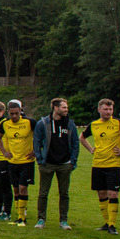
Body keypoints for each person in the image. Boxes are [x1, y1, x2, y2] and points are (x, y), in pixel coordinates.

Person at [80, 99, 120, 235]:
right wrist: (90, 149)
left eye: (110, 109)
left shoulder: (119, 123)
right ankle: (106, 223)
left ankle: (113, 225)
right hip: (98, 164)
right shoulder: (94, 125)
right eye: (105, 109)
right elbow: (82, 137)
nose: (108, 112)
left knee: (113, 194)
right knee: (101, 194)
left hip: (114, 165)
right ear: (99, 110)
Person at [33, 97, 79, 230]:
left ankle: (63, 221)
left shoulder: (70, 124)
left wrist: (72, 161)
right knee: (43, 193)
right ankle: (41, 220)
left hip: (65, 164)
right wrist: (40, 160)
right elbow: (36, 142)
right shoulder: (43, 124)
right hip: (47, 163)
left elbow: (75, 143)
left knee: (64, 194)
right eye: (64, 107)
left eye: (66, 107)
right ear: (55, 108)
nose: (66, 110)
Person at [0, 99, 36, 227]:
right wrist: (4, 152)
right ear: (8, 112)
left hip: (26, 161)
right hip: (12, 162)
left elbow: (41, 136)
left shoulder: (30, 122)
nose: (14, 116)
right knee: (16, 189)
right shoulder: (5, 124)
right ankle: (19, 217)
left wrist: (36, 151)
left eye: (16, 113)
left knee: (23, 188)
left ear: (20, 112)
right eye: (12, 114)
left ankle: (22, 218)